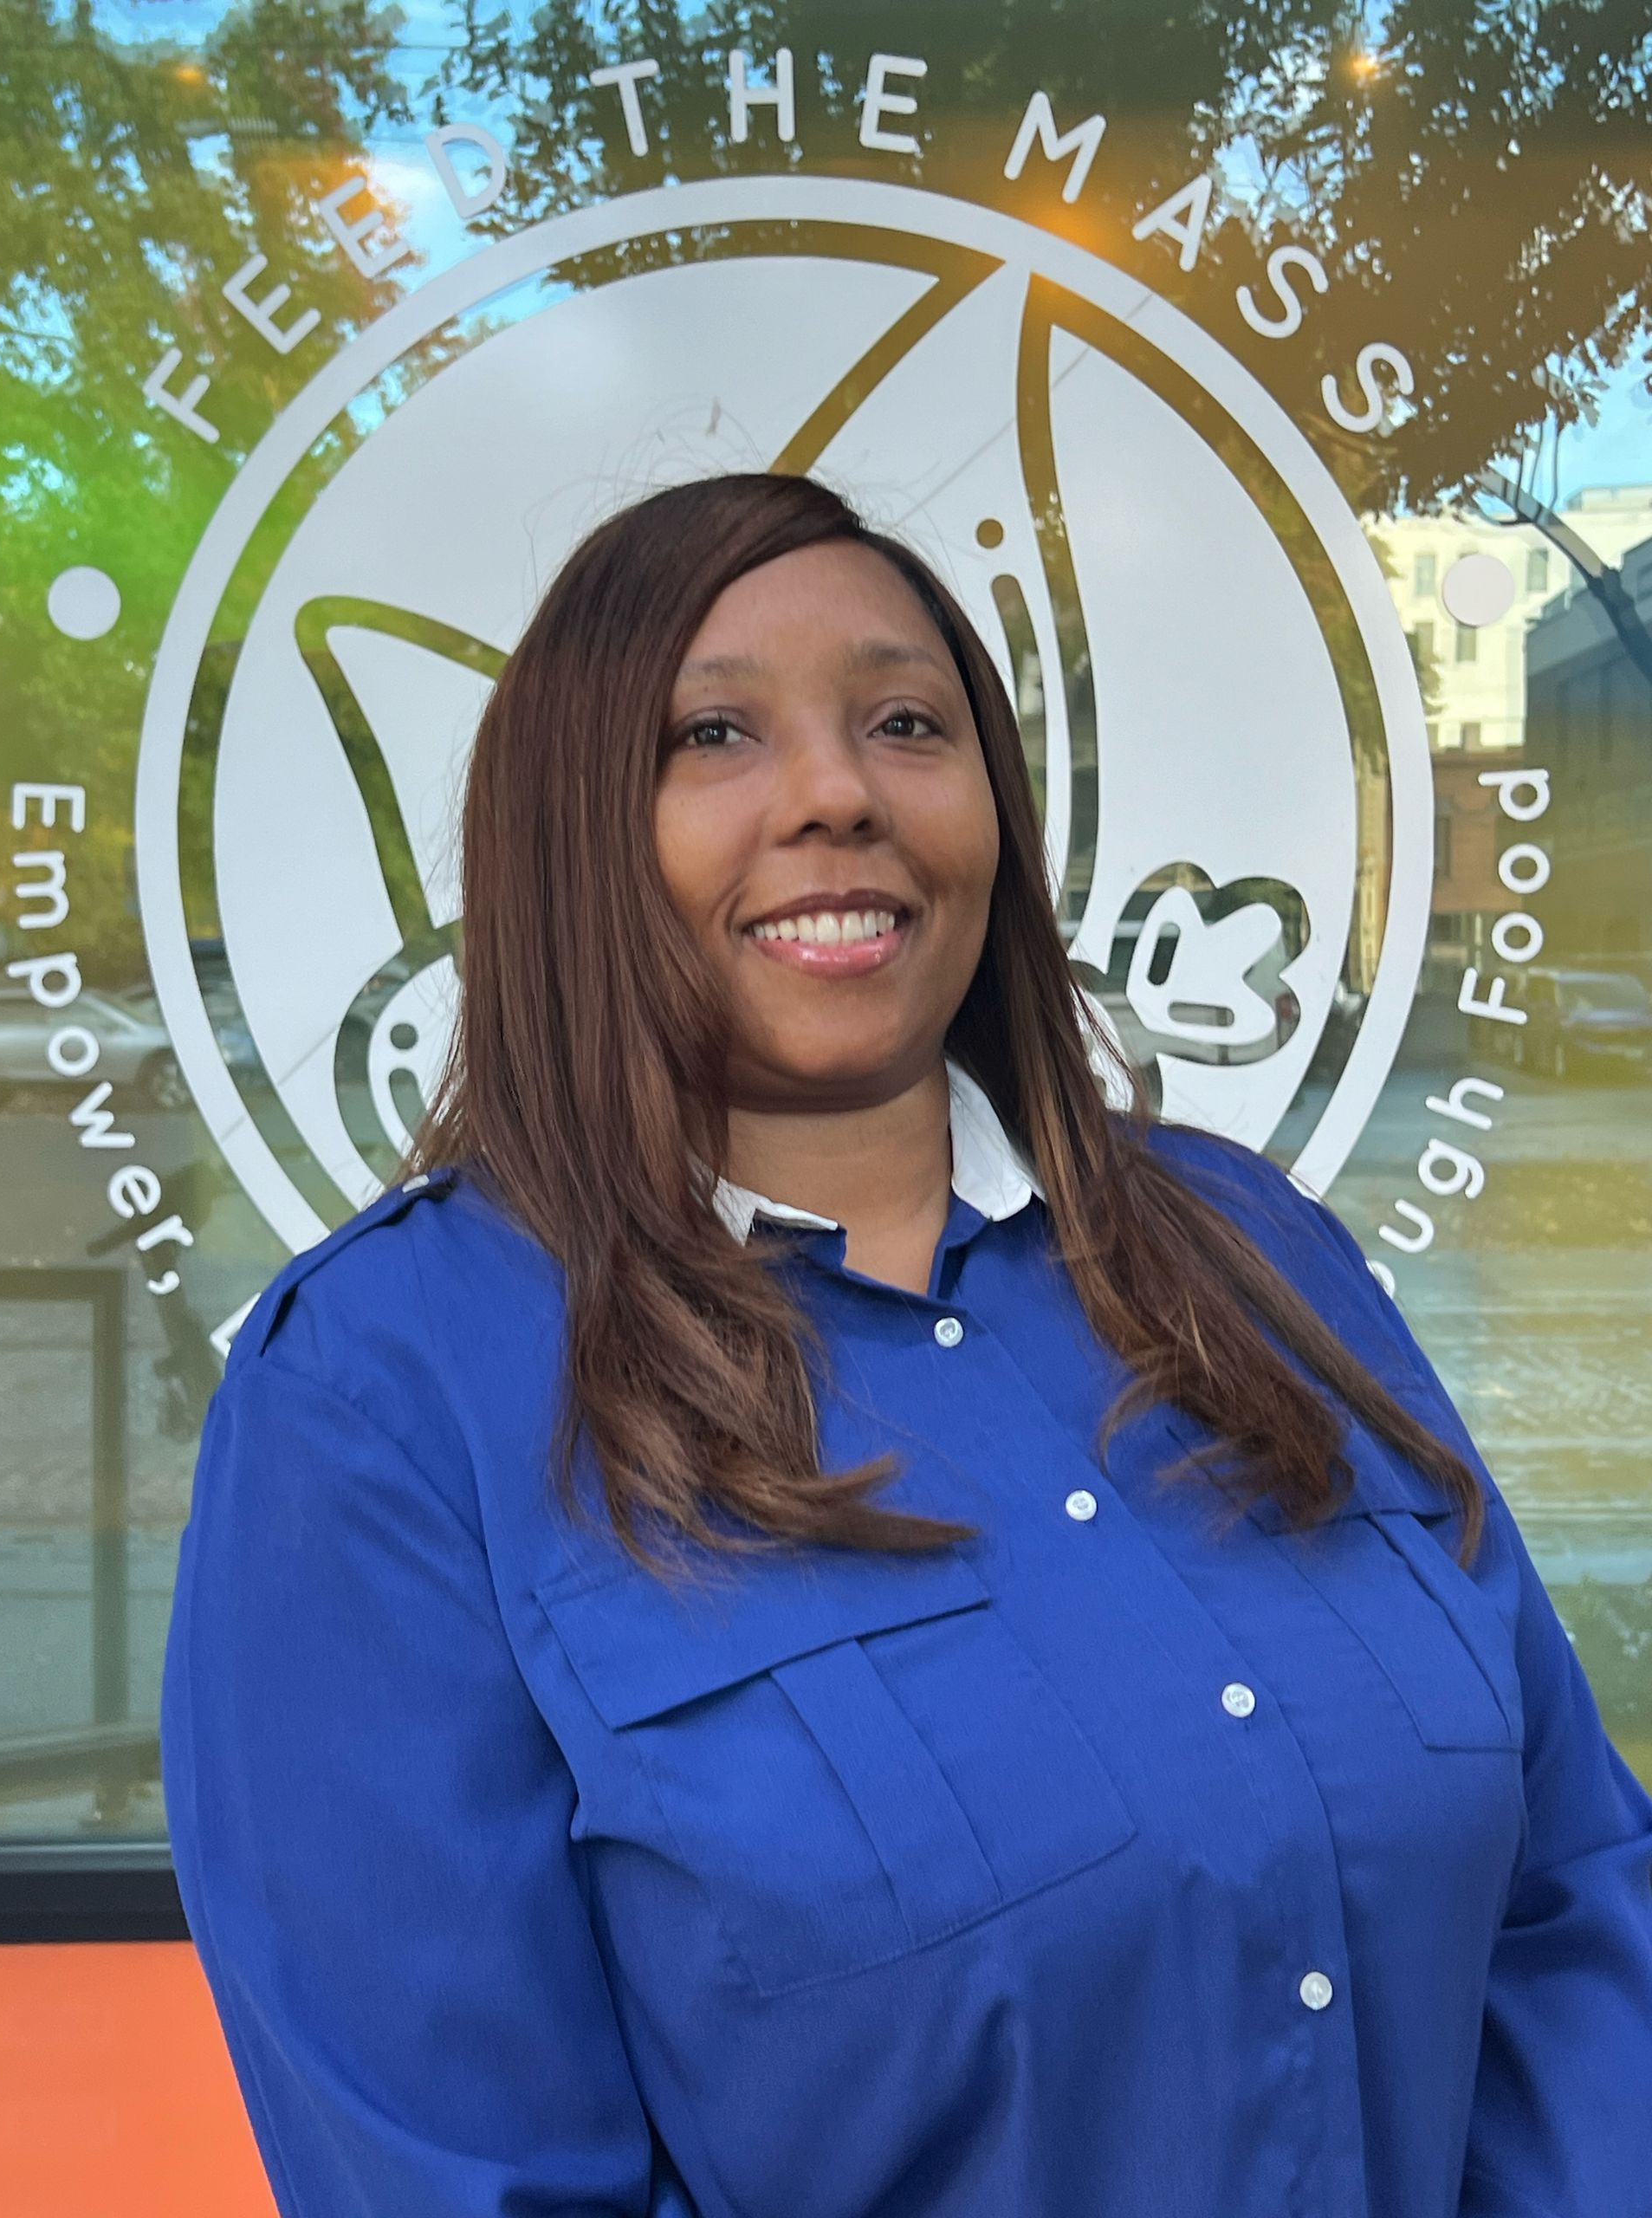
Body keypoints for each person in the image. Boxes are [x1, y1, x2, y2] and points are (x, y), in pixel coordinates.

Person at [162, 472, 1652, 2218]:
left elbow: (1576, 1899)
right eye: (714, 732)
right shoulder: (384, 1391)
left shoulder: (1257, 1255)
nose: (836, 794)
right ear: (569, 829)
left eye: (906, 722)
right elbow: (459, 2164)